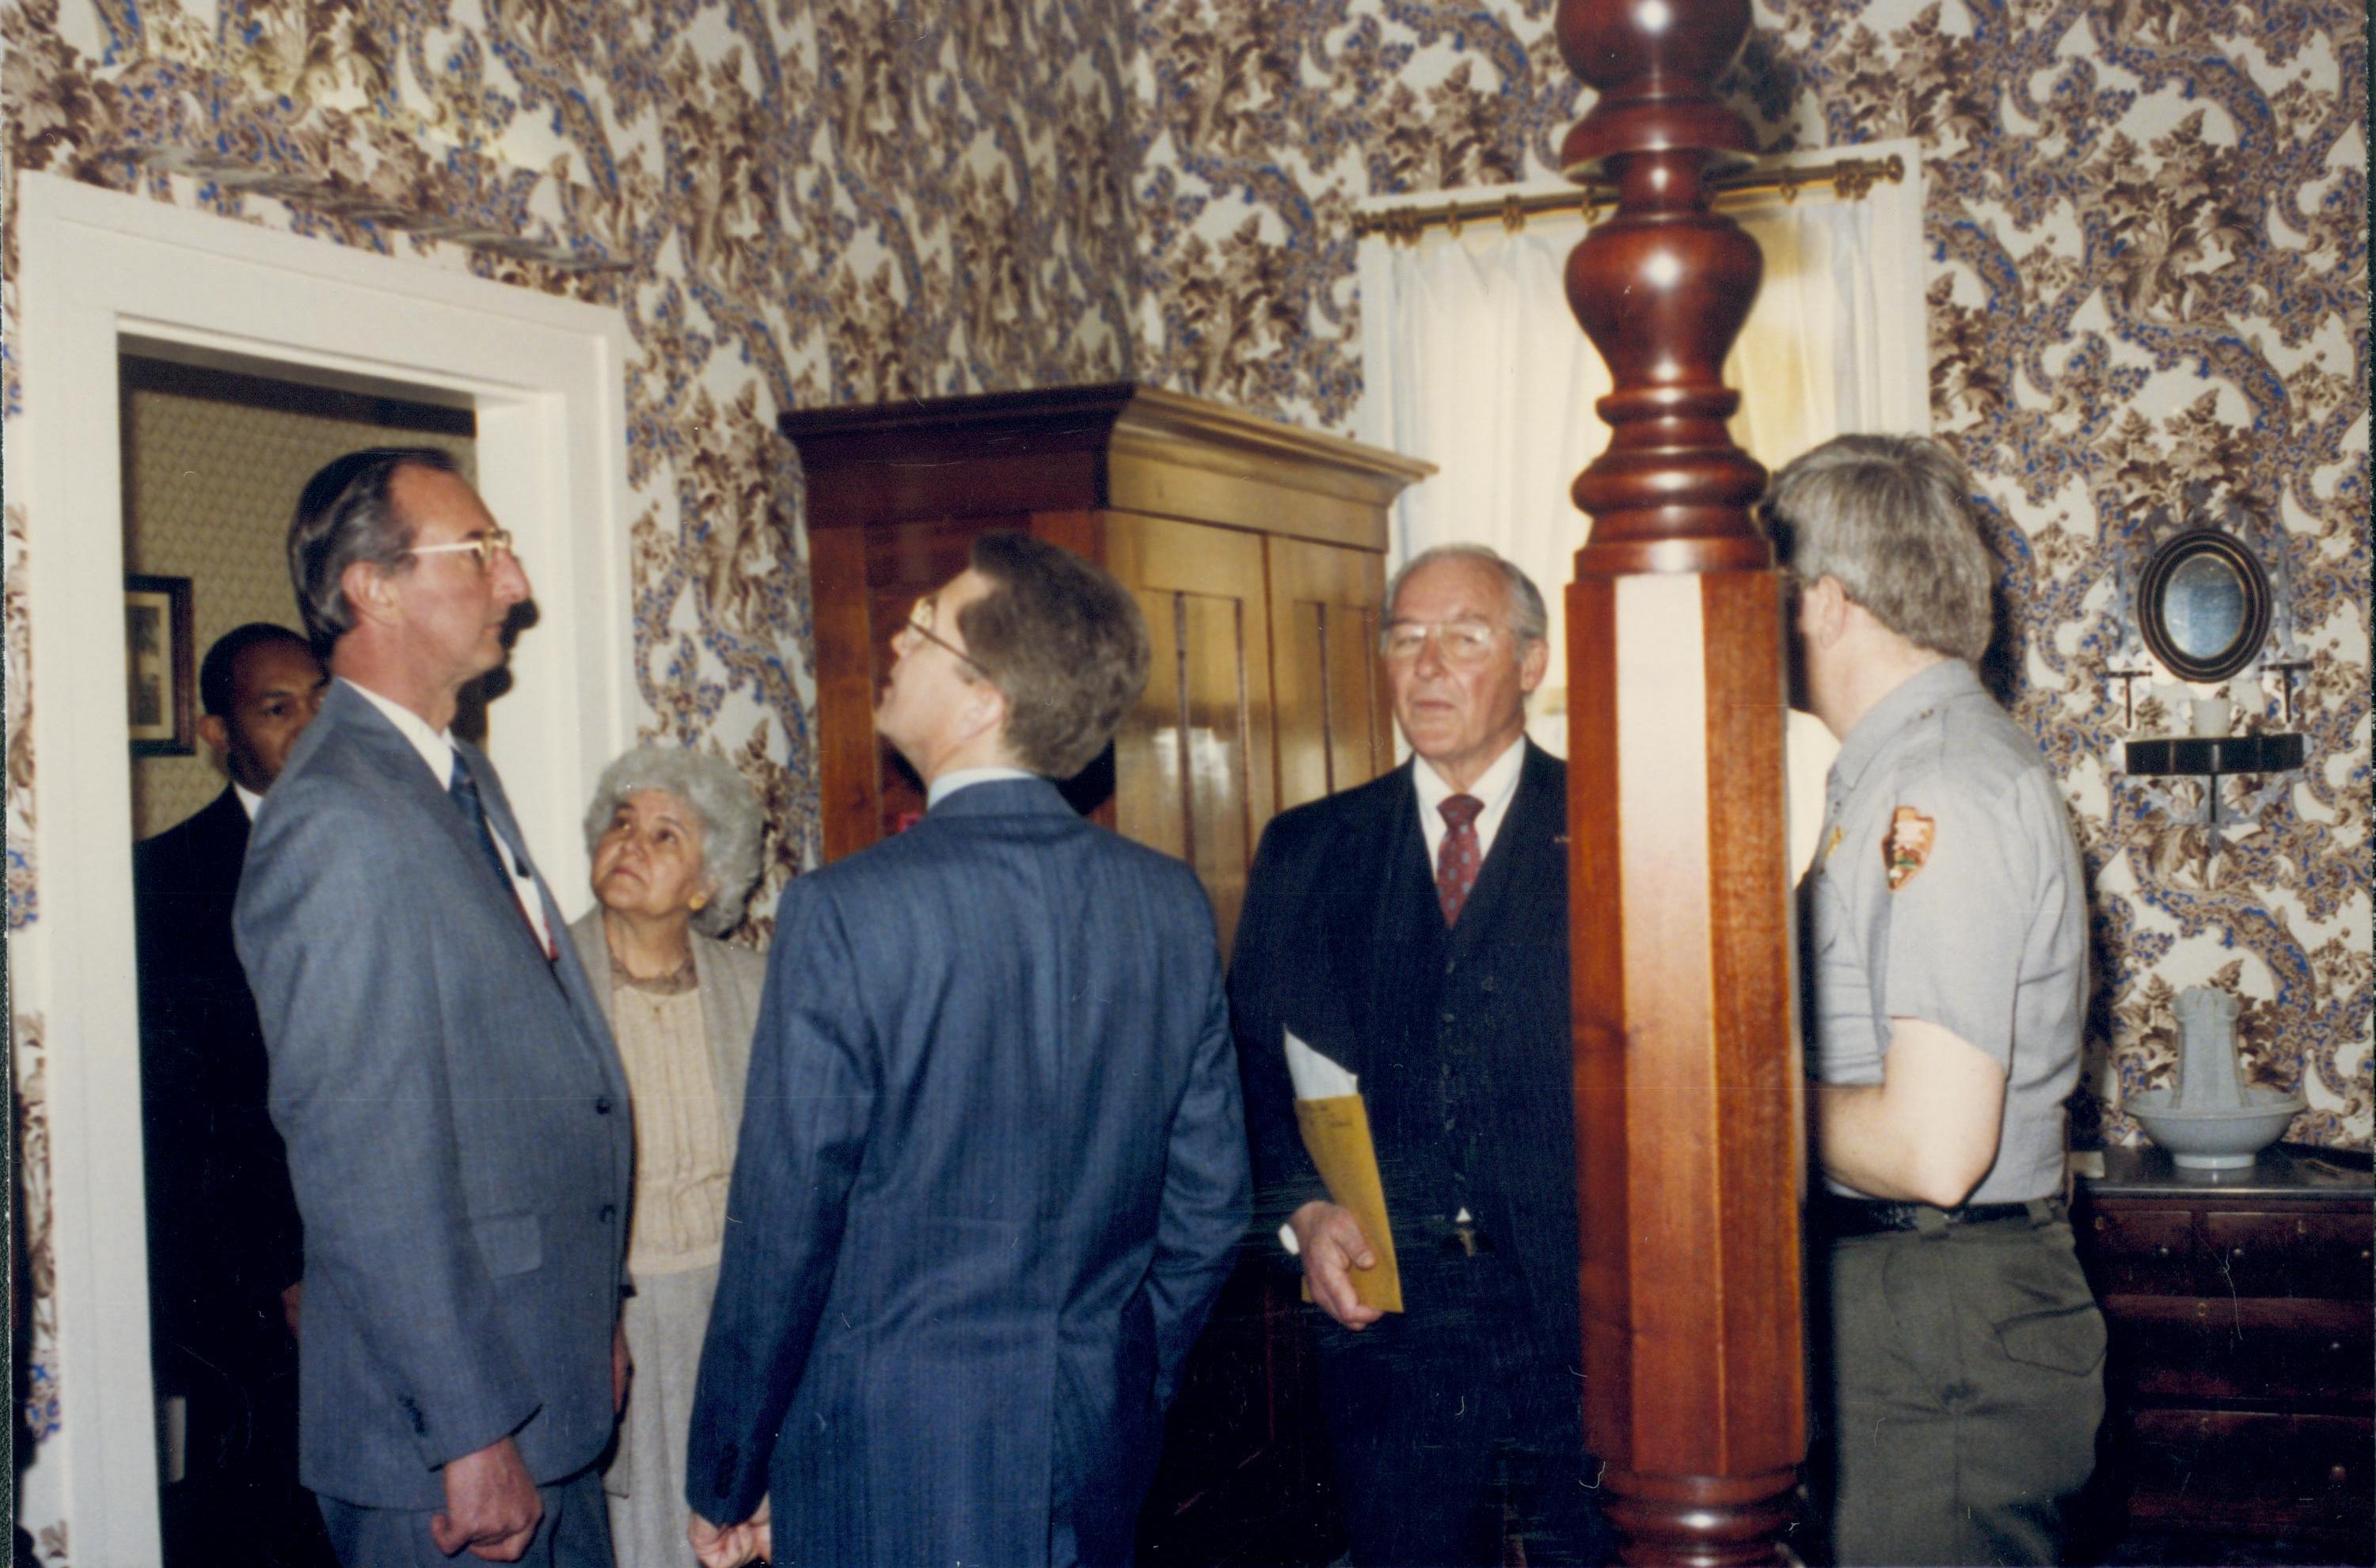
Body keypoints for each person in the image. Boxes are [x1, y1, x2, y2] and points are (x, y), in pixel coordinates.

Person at [683, 533, 1249, 1568]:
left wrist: (731, 1466)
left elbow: (783, 1226)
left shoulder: (845, 912)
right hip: (1090, 1436)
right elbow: (1208, 1212)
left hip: (887, 1452)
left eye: (926, 624)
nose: (897, 638)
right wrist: (1116, 1373)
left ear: (984, 698)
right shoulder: (1167, 904)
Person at [234, 448, 633, 1567]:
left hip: (538, 1379)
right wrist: (470, 1424)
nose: (517, 583)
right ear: (371, 585)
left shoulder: (453, 775)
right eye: (483, 550)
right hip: (446, 1443)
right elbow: (362, 1156)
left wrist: (591, 1312)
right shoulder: (338, 822)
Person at [1231, 544, 1609, 1567]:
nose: (1428, 664)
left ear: (1532, 662)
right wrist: (1302, 1213)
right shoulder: (1310, 850)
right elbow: (1253, 1077)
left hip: (1584, 1331)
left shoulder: (1618, 830)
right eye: (1405, 638)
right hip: (1387, 1334)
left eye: (1464, 637)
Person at [1767, 433, 2102, 1566]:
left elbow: (1932, 1149)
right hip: (1909, 1308)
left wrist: (1734, 1104)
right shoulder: (1896, 777)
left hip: (1939, 1312)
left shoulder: (1940, 787)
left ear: (1823, 600)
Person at [134, 622, 333, 1568]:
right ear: (217, 730)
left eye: (321, 700)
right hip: (246, 1284)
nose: (308, 725)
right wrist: (278, 1269)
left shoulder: (381, 850)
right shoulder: (163, 883)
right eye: (276, 707)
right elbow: (185, 1110)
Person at [566, 746, 767, 1566]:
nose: (630, 843)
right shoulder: (541, 979)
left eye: (663, 834)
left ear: (704, 884)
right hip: (603, 1320)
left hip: (730, 1315)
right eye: (619, 822)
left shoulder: (757, 988)